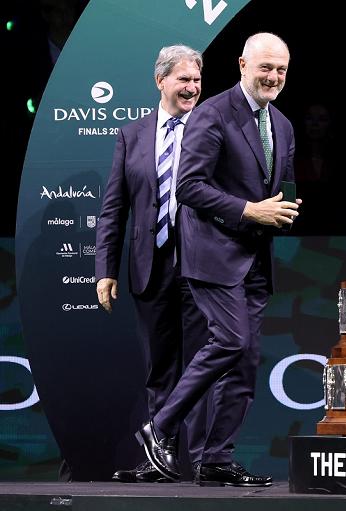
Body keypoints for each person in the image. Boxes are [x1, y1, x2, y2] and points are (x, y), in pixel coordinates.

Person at [135, 32, 300, 487]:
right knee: (230, 340)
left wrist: (283, 209)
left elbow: (279, 187)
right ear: (243, 64)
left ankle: (216, 459)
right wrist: (250, 210)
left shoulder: (282, 124)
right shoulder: (212, 113)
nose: (274, 77)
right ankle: (160, 426)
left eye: (281, 69)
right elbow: (188, 187)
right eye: (265, 67)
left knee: (244, 362)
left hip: (255, 258)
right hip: (212, 253)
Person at [95, 45, 209, 482]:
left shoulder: (211, 129)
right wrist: (105, 269)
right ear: (160, 80)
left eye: (197, 80)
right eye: (183, 79)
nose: (192, 88)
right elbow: (114, 208)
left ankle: (202, 460)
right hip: (150, 265)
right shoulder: (132, 135)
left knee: (200, 367)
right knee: (159, 370)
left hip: (201, 267)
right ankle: (159, 460)